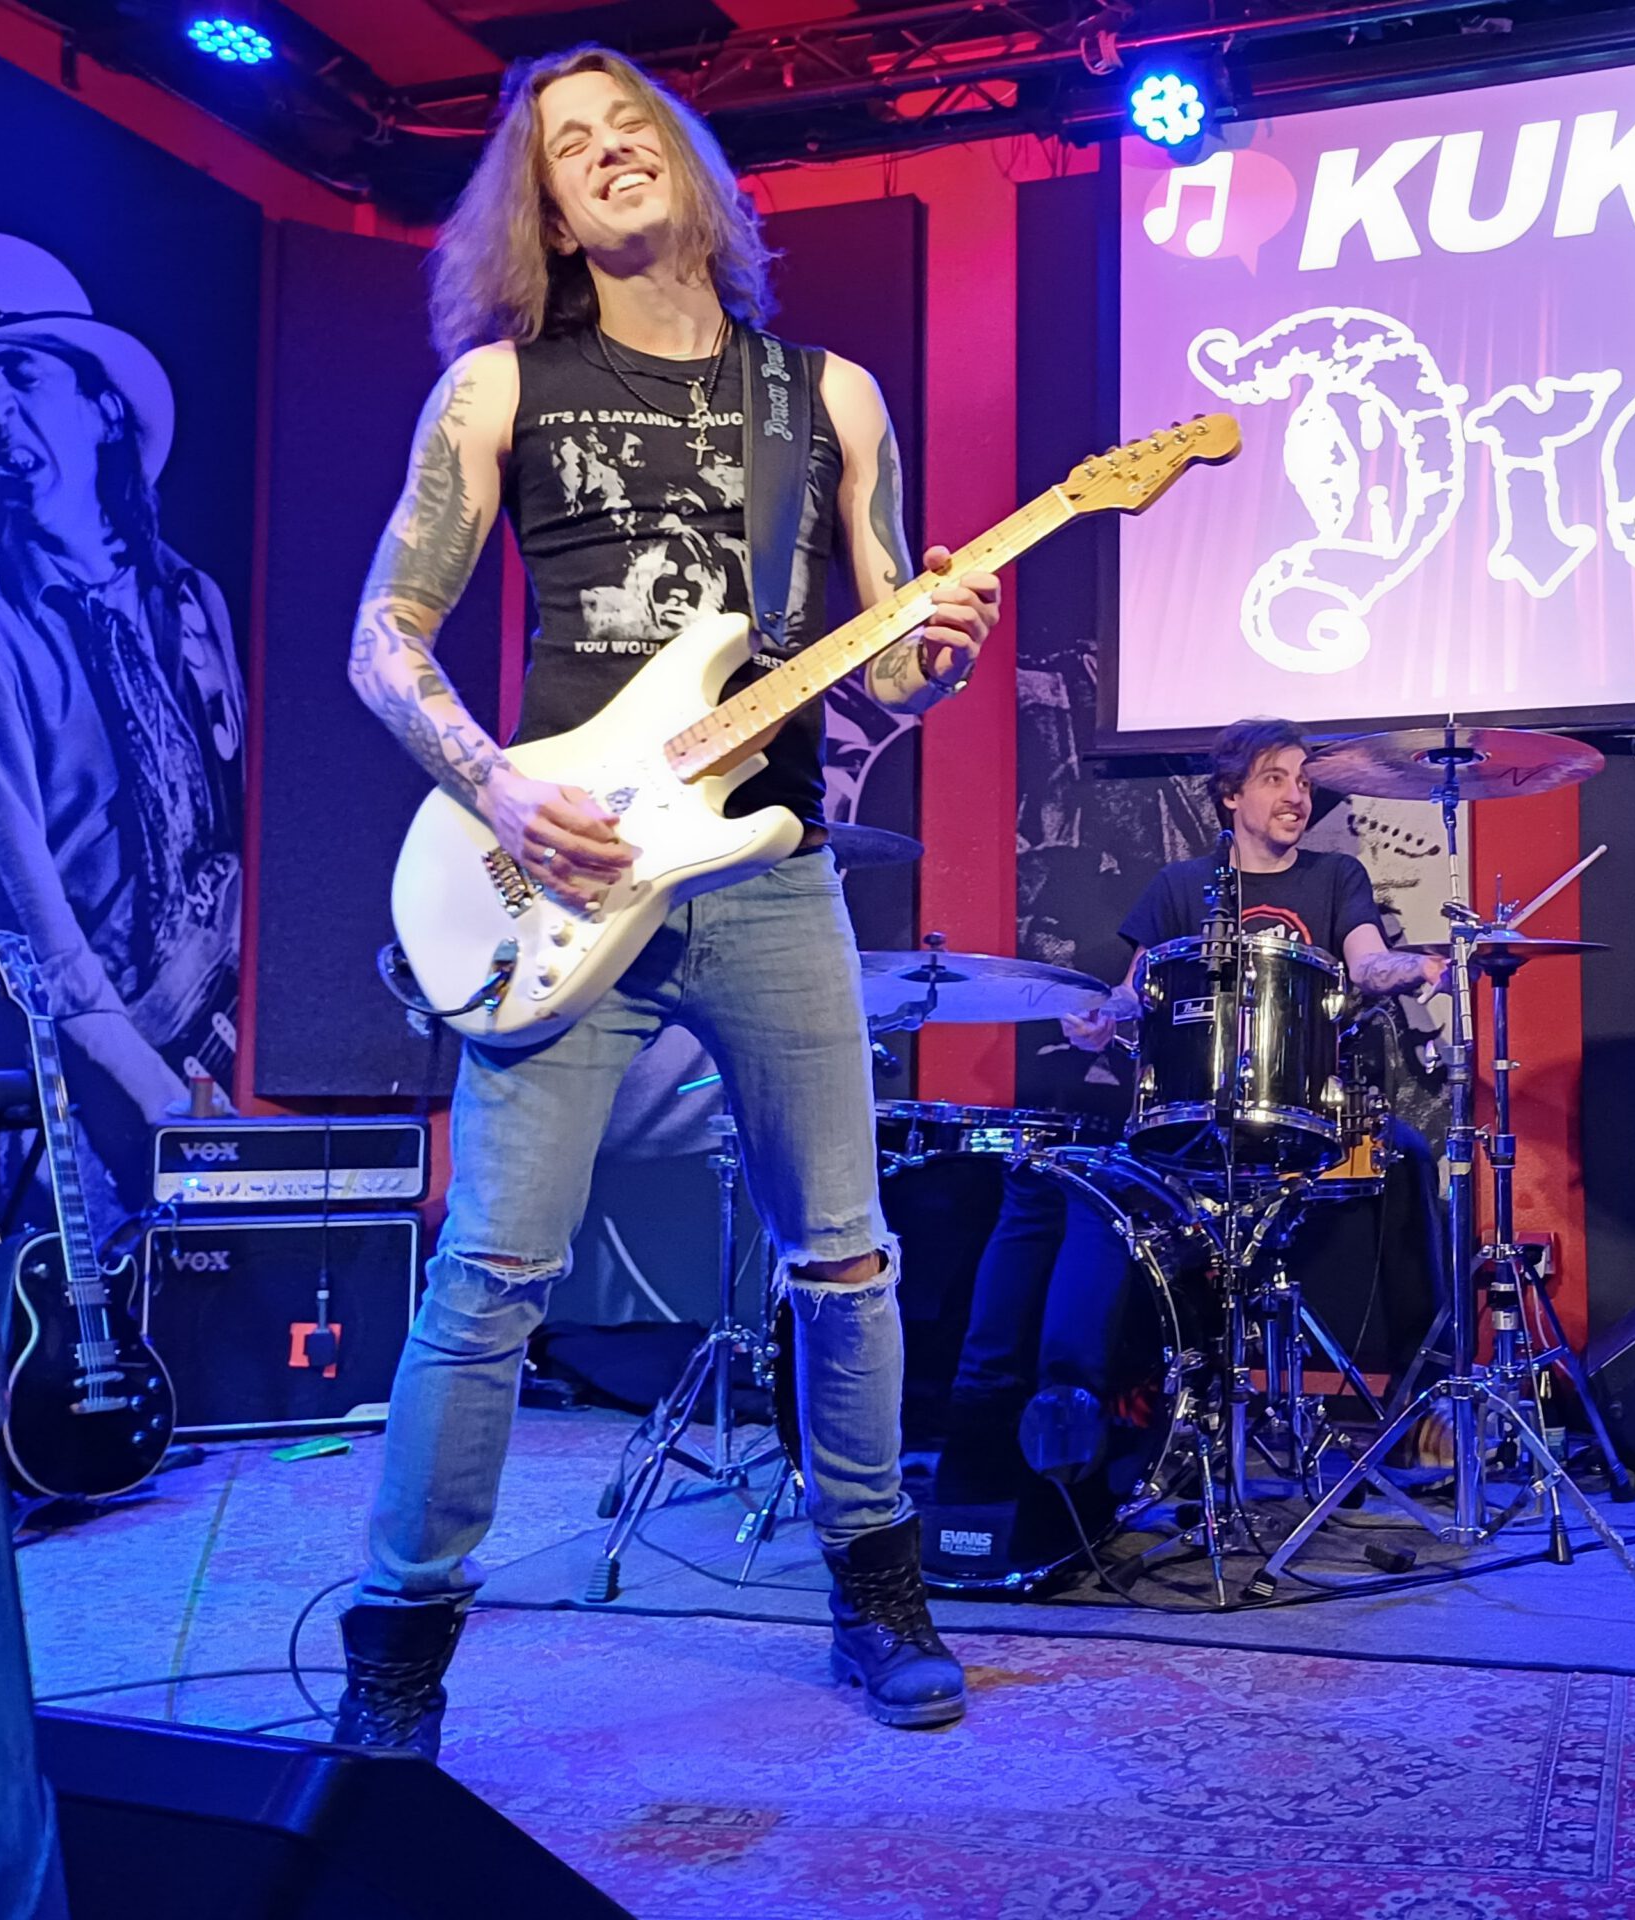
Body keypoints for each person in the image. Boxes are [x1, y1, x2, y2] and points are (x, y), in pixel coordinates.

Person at [331, 45, 1000, 1752]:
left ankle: (876, 1588)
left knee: (843, 1259)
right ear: (547, 212)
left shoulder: (830, 397)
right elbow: (383, 639)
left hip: (764, 871)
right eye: (572, 147)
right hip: (559, 873)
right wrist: (497, 787)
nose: (611, 151)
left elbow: (887, 665)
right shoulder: (498, 387)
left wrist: (934, 651)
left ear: (691, 167)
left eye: (634, 126)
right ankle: (399, 1647)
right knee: (491, 1274)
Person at [0, 232, 246, 1235]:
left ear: (102, 405)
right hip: (81, 1092)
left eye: (22, 374)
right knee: (84, 1313)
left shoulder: (190, 597)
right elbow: (17, 902)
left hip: (220, 1056)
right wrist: (158, 1101)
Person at [1064, 717, 1450, 1386]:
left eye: (1304, 782)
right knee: (1103, 1196)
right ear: (1231, 794)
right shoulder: (1181, 885)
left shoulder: (1336, 876)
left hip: (1311, 1111)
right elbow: (1135, 992)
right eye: (1275, 779)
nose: (1296, 796)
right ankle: (1126, 1401)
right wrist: (1100, 1019)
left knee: (1409, 1157)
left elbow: (1367, 964)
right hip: (1194, 1111)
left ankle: (1426, 1393)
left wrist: (1415, 966)